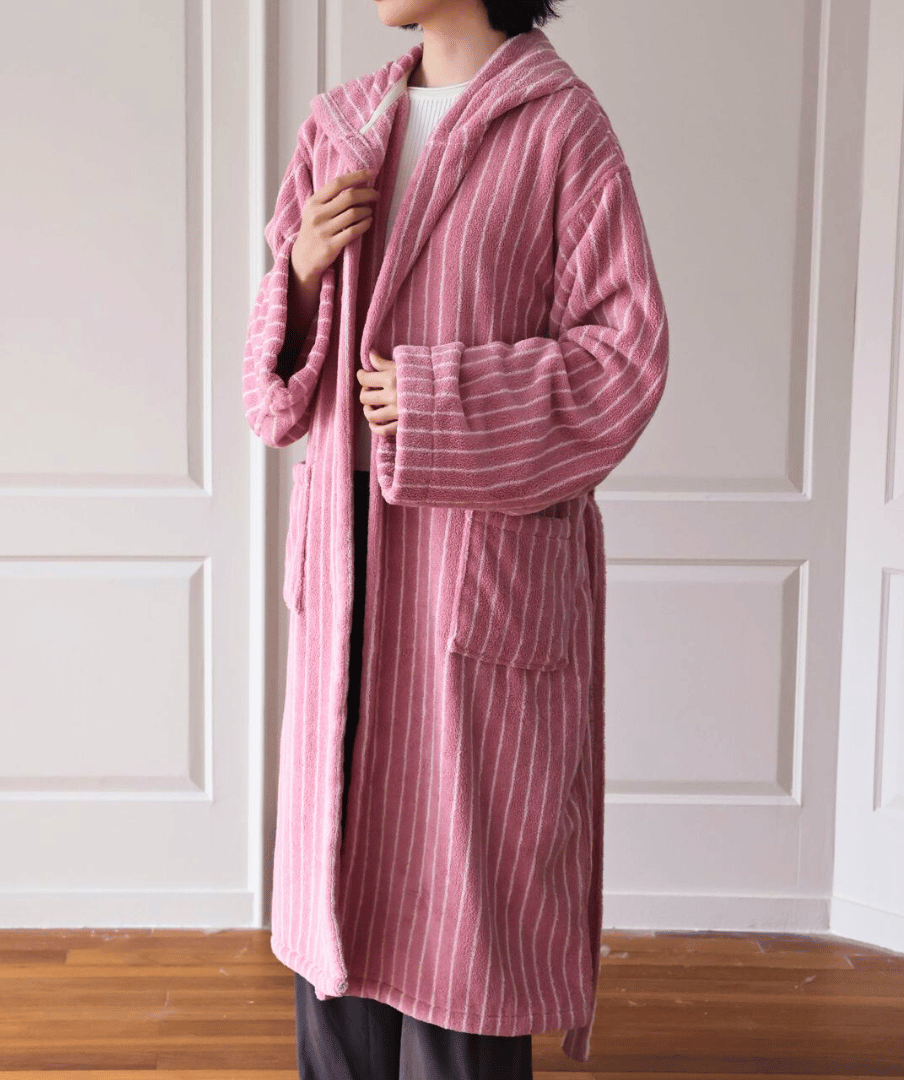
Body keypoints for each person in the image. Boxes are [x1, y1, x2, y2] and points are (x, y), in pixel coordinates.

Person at [242, 0, 670, 1075]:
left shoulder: (561, 128)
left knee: (459, 950)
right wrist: (297, 274)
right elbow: (274, 403)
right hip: (349, 585)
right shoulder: (339, 124)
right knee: (338, 954)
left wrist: (439, 402)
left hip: (467, 596)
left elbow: (626, 359)